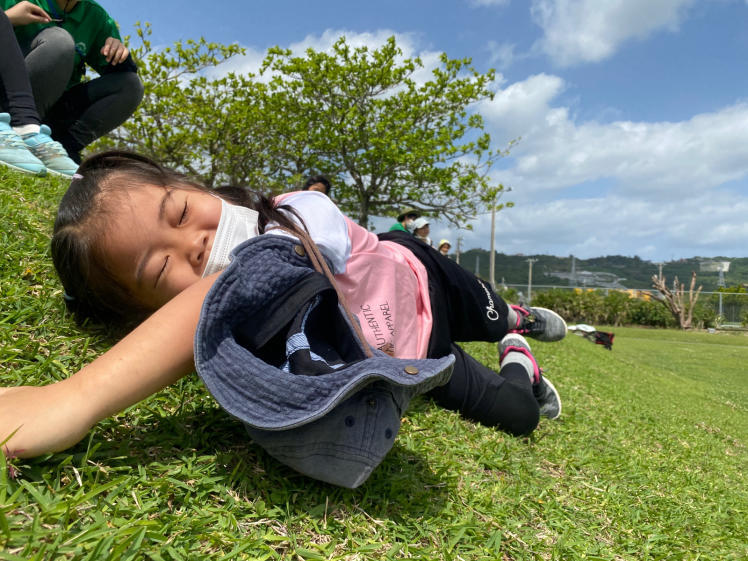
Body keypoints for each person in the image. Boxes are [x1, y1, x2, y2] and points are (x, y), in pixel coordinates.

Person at [0, 151, 566, 482]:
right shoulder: (234, 336)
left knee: (492, 315)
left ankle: (515, 319)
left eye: (180, 211)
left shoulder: (297, 212)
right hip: (423, 359)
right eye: (158, 269)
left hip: (422, 276)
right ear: (149, 311)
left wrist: (74, 397)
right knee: (520, 414)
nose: (192, 246)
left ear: (195, 185)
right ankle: (520, 354)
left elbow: (254, 276)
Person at [2, 0, 144, 164]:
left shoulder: (96, 17)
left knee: (131, 84)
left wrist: (120, 55)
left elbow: (119, 76)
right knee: (60, 42)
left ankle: (64, 148)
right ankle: (18, 131)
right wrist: (8, 18)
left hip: (54, 111)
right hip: (8, 99)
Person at [0, 8, 78, 176]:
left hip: (21, 104)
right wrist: (8, 18)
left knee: (131, 84)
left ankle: (27, 132)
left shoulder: (93, 15)